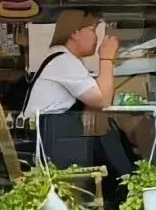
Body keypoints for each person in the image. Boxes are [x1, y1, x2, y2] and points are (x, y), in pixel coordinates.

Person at [23, 9, 122, 170]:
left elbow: (94, 97)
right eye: (92, 30)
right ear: (75, 33)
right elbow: (103, 100)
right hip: (49, 141)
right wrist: (106, 57)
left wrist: (89, 106)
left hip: (55, 138)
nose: (97, 37)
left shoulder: (63, 57)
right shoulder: (63, 60)